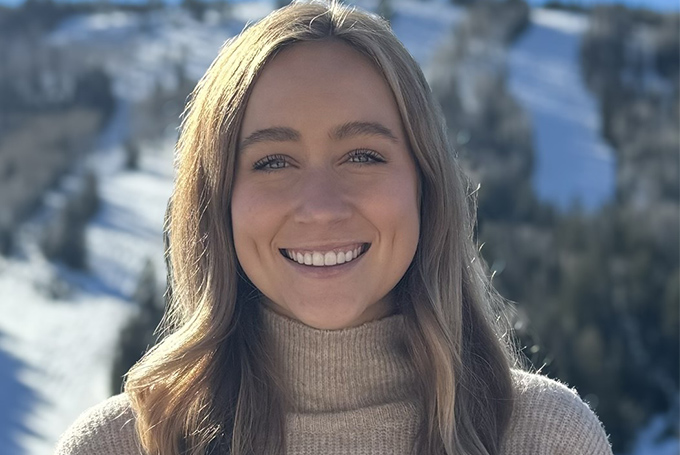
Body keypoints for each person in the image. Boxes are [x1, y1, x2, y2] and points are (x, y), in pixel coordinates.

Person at [55, 1, 614, 454]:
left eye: (363, 155)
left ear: (425, 185)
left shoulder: (545, 437)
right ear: (217, 202)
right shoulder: (123, 445)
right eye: (273, 162)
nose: (320, 207)